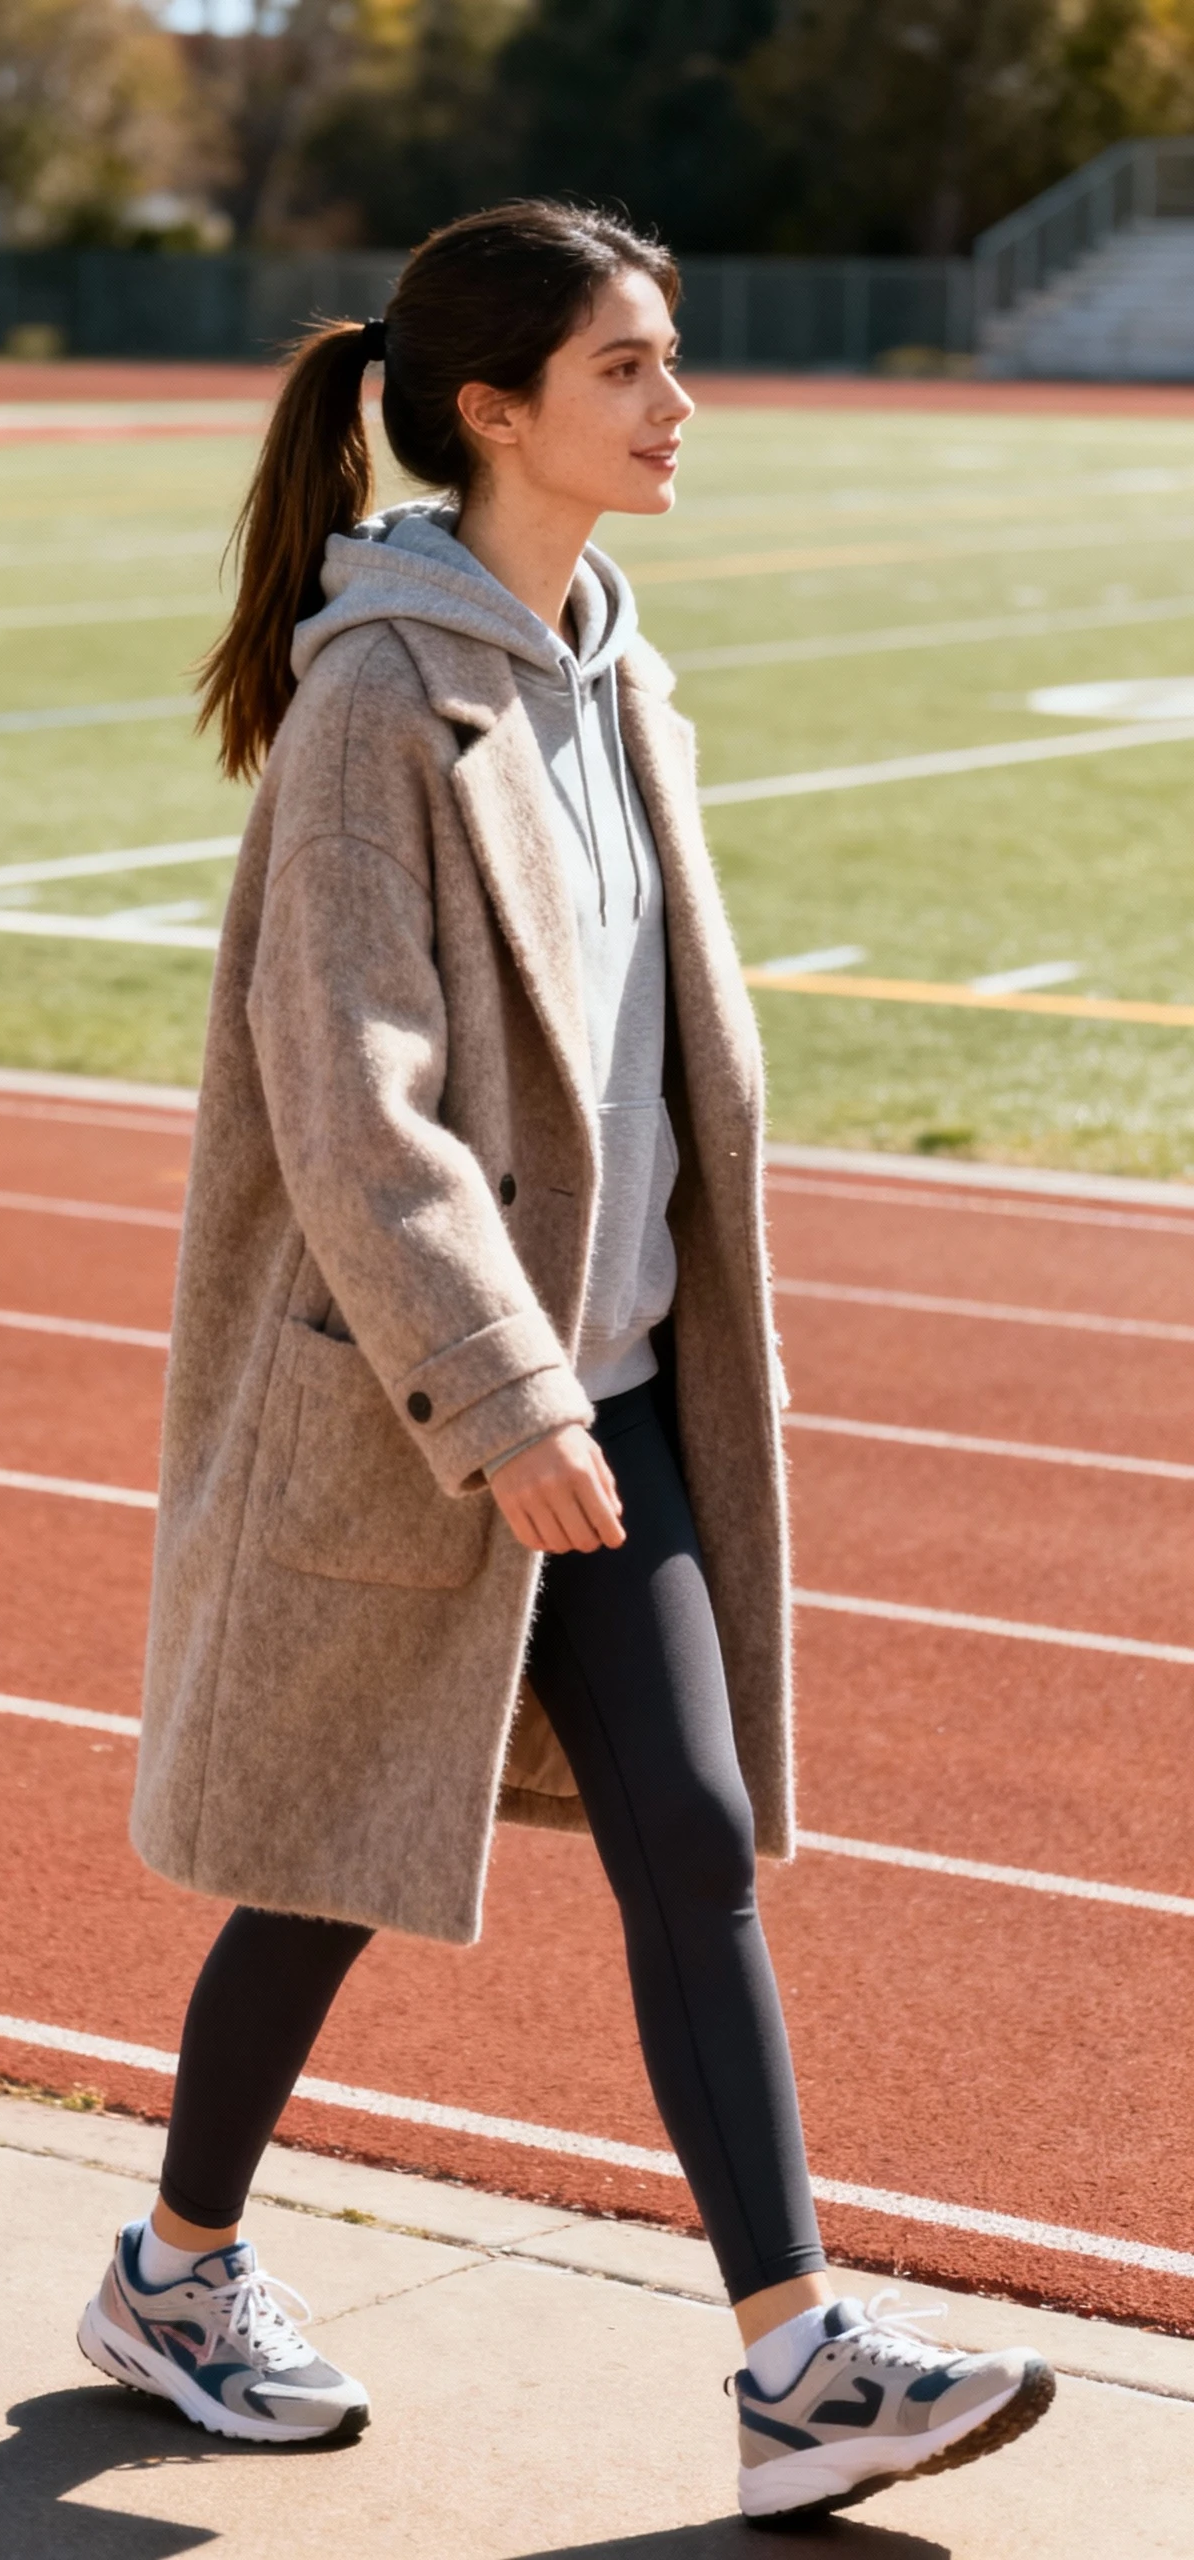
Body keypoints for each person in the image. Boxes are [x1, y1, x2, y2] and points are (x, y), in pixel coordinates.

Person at [77, 200, 1054, 2524]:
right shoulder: (373, 706)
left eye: (673, 354)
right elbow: (356, 1094)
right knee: (325, 1852)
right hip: (432, 1390)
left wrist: (595, 1370)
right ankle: (174, 2266)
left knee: (693, 1840)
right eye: (628, 368)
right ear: (495, 409)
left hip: (620, 1371)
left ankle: (793, 2358)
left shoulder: (615, 667)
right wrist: (502, 1395)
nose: (678, 400)